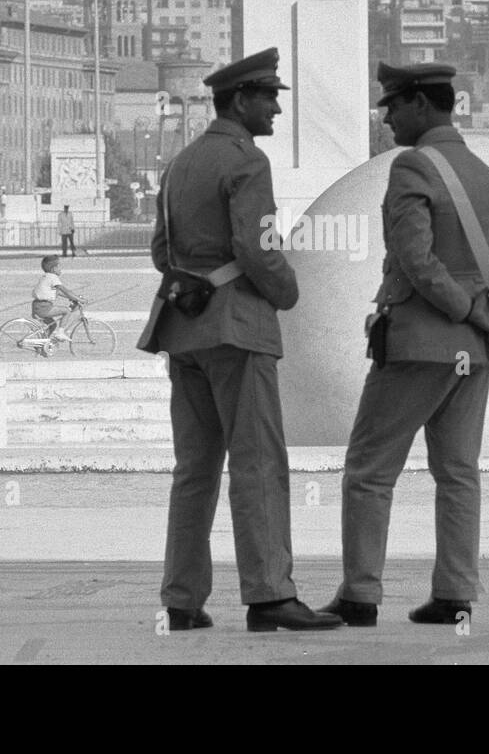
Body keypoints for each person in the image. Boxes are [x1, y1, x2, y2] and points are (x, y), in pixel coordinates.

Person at [320, 62, 489, 628]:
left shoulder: (413, 166)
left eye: (392, 105)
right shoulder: (483, 174)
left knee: (369, 470)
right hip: (473, 354)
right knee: (458, 471)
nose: (386, 117)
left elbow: (416, 261)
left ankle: (361, 593)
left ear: (420, 104)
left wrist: (472, 316)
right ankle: (455, 592)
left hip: (418, 343)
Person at [138, 47, 341, 634]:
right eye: (269, 96)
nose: (276, 107)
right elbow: (257, 249)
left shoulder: (182, 163)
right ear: (241, 99)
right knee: (258, 464)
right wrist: (287, 290)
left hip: (184, 330)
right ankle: (270, 594)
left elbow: (160, 253)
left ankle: (182, 599)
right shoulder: (246, 162)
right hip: (238, 329)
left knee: (194, 469)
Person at [32, 254, 83, 342]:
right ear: (53, 269)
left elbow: (58, 292)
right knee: (66, 311)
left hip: (37, 306)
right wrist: (79, 299)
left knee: (52, 325)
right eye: (59, 266)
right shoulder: (53, 277)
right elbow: (65, 290)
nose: (60, 269)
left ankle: (42, 344)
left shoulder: (46, 276)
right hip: (44, 307)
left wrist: (72, 297)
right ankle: (60, 333)